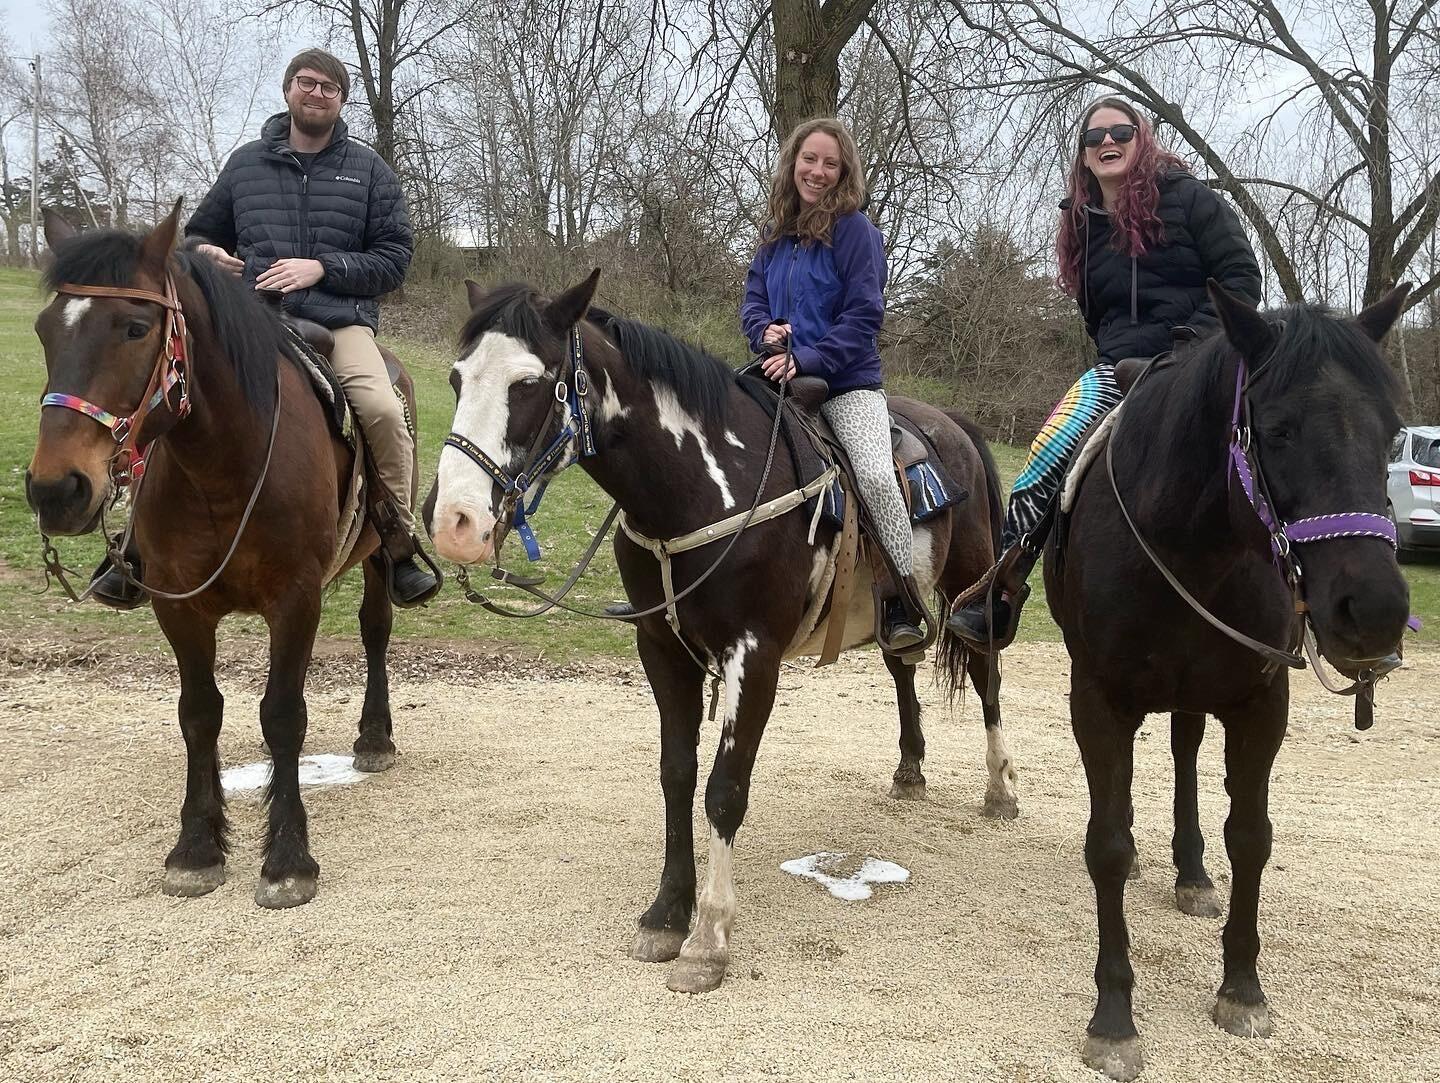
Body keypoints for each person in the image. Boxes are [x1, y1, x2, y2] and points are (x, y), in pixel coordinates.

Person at [90, 48, 440, 609]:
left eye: (329, 86)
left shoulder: (370, 169)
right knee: (174, 395)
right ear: (287, 91)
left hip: (338, 320)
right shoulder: (246, 163)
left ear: (342, 99)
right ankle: (133, 546)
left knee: (380, 408)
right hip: (251, 318)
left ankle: (396, 540)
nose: (316, 93)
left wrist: (325, 267)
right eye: (307, 82)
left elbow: (395, 258)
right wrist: (209, 254)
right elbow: (197, 235)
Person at [946, 96, 1263, 650]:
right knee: (1043, 459)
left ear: (1142, 141)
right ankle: (1000, 592)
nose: (1108, 142)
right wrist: (1119, 355)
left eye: (1121, 131)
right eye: (1095, 138)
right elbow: (1096, 314)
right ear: (1085, 156)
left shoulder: (1192, 201)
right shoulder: (1082, 223)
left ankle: (1318, 599)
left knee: (1276, 452)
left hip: (1199, 362)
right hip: (1117, 369)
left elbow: (1241, 277)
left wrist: (1191, 344)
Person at [743, 117, 923, 653]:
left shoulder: (856, 233)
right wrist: (762, 330)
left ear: (844, 172)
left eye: (830, 163)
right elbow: (753, 300)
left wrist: (809, 358)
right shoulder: (776, 235)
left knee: (872, 473)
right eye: (809, 160)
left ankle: (900, 600)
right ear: (792, 163)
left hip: (846, 384)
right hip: (777, 378)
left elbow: (865, 315)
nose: (817, 171)